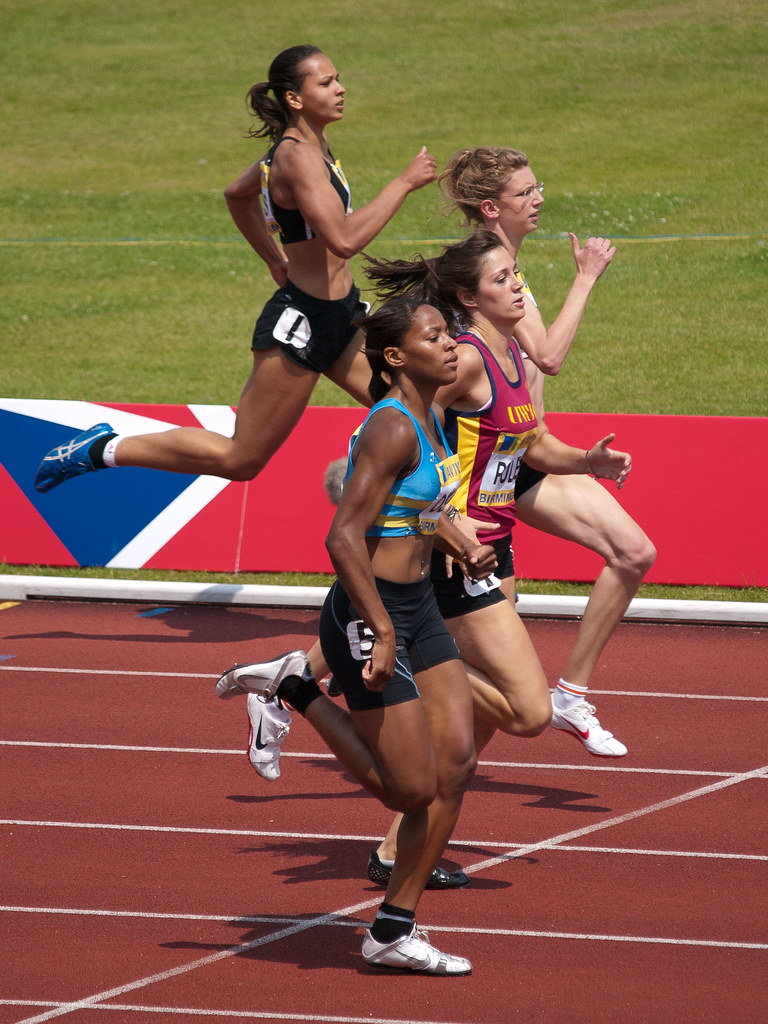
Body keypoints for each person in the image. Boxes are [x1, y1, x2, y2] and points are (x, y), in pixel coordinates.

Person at [220, 229, 632, 889]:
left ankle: (395, 848)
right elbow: (397, 424)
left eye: (518, 272)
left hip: (490, 550)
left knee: (475, 733)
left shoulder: (513, 360)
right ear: (468, 297)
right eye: (502, 278)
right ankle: (330, 682)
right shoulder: (461, 361)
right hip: (451, 557)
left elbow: (528, 446)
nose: (519, 284)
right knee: (519, 712)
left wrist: (588, 462)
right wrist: (431, 516)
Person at [217, 295, 498, 974]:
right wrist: (380, 629)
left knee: (454, 767)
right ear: (397, 357)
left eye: (450, 335)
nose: (452, 345)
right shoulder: (394, 429)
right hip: (368, 613)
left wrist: (453, 539)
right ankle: (297, 687)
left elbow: (411, 512)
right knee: (410, 792)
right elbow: (343, 536)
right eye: (435, 338)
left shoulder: (432, 418)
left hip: (419, 605)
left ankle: (393, 931)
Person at [34, 44, 437, 493]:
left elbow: (237, 193)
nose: (340, 89)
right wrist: (404, 182)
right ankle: (100, 450)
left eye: (337, 79)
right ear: (294, 99)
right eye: (326, 83)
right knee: (240, 458)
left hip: (342, 314)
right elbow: (343, 239)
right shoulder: (295, 156)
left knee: (418, 419)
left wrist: (274, 259)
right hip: (302, 327)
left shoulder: (309, 145)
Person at [438, 147, 656, 756]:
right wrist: (586, 277)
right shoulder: (496, 273)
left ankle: (567, 696)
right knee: (455, 644)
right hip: (491, 471)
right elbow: (550, 357)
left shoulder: (509, 269)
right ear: (491, 207)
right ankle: (305, 678)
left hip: (525, 453)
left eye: (539, 187)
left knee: (633, 552)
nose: (539, 199)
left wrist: (585, 458)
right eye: (525, 192)